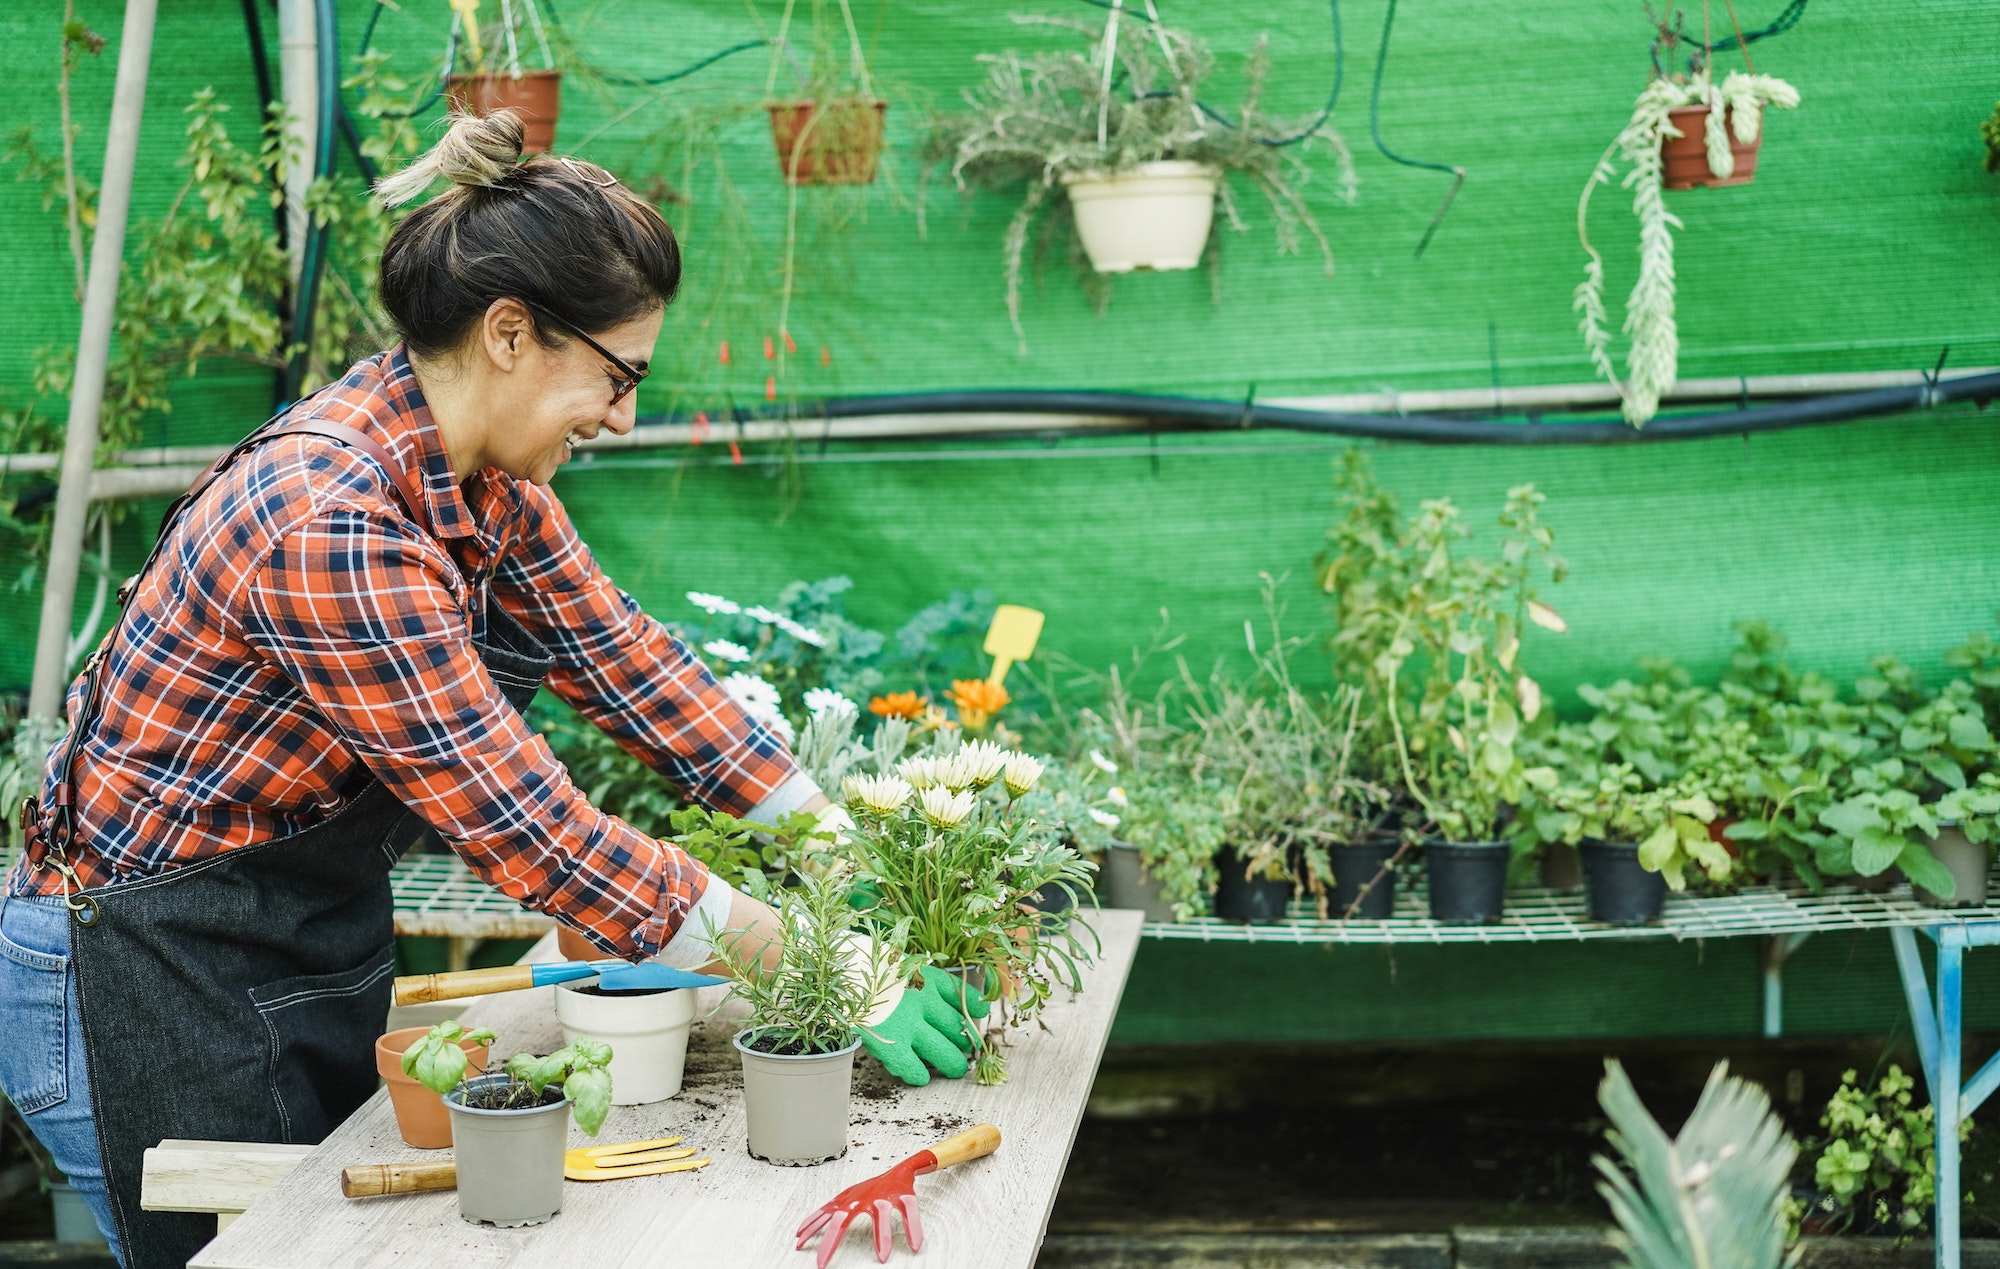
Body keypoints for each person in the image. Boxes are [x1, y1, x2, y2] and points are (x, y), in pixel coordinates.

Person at [0, 112, 972, 1269]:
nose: (621, 419)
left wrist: (848, 856)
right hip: (145, 975)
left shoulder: (478, 486)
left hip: (282, 945)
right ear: (510, 333)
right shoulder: (334, 523)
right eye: (615, 378)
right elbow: (535, 836)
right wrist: (829, 965)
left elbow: (643, 675)